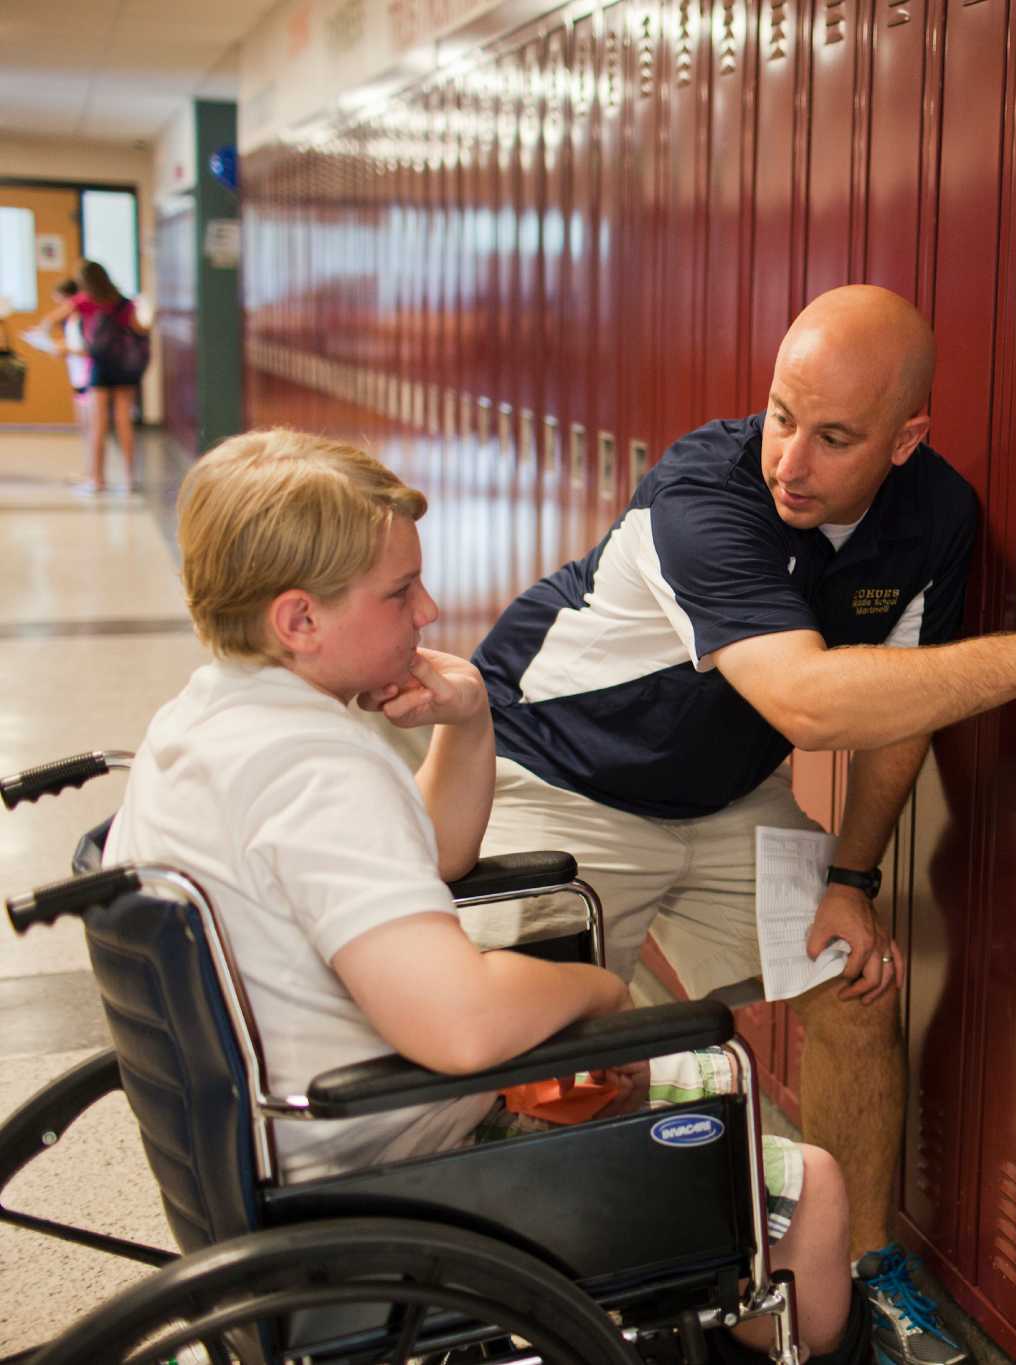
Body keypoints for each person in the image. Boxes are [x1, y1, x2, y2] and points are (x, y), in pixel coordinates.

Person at [472, 283, 1016, 1363]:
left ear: (906, 441)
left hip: (720, 797)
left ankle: (859, 1271)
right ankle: (521, 1286)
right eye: (781, 414)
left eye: (833, 437)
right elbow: (807, 702)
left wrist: (854, 875)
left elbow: (902, 707)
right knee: (523, 1050)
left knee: (851, 977)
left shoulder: (936, 516)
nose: (788, 460)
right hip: (559, 773)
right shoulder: (705, 493)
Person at [105, 429, 866, 1362]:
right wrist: (601, 992)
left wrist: (469, 723)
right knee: (811, 1189)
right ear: (298, 619)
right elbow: (460, 1030)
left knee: (669, 1093)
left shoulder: (202, 727)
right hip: (404, 1179)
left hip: (291, 1156)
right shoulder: (316, 771)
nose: (427, 609)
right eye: (398, 592)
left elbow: (422, 858)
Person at [66, 260, 149, 494]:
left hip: (100, 365)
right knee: (124, 421)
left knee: (98, 423)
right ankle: (129, 478)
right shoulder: (125, 303)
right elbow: (141, 329)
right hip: (125, 366)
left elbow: (50, 320)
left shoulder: (84, 301)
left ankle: (97, 479)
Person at [31, 279, 97, 488]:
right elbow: (72, 345)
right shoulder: (74, 321)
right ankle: (90, 472)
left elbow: (87, 349)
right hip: (77, 376)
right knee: (84, 428)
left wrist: (63, 348)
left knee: (91, 428)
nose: (61, 308)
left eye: (62, 302)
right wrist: (54, 347)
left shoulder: (84, 318)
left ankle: (94, 475)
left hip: (87, 377)